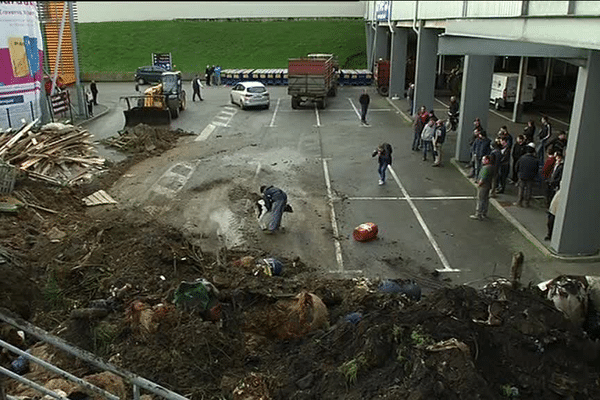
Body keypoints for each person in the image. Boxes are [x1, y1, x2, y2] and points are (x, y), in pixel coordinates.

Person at [470, 155, 493, 221]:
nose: (482, 161)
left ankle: (478, 214)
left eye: (484, 160)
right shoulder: (491, 167)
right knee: (485, 200)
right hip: (488, 186)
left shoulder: (485, 168)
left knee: (480, 200)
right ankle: (484, 213)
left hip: (483, 186)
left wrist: (479, 184)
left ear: (487, 160)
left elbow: (483, 178)